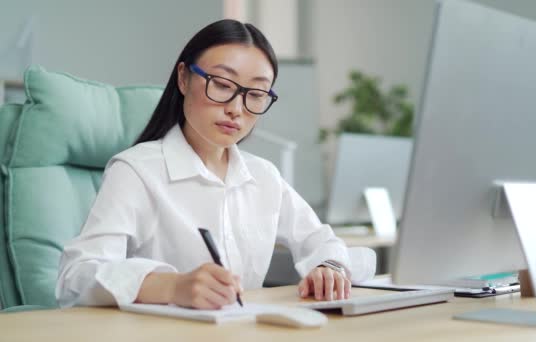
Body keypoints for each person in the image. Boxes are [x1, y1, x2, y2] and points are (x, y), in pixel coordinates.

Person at [55, 19, 375, 310]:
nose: (237, 108)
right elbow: (76, 275)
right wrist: (171, 286)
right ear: (183, 78)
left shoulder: (263, 176)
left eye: (257, 93)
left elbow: (320, 240)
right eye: (222, 85)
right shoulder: (137, 171)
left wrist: (329, 267)